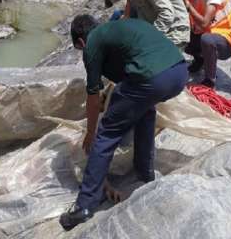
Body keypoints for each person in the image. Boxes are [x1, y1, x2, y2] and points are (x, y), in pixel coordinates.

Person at [58, 15, 188, 231]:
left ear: (81, 42)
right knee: (145, 110)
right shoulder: (119, 28)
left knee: (106, 133)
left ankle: (85, 205)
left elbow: (92, 95)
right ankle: (145, 173)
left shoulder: (92, 43)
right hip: (179, 72)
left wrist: (91, 132)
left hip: (151, 78)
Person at [176, 0, 231, 88]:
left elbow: (205, 23)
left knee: (207, 40)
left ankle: (210, 79)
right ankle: (200, 59)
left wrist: (187, 5)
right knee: (179, 32)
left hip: (226, 39)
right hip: (202, 32)